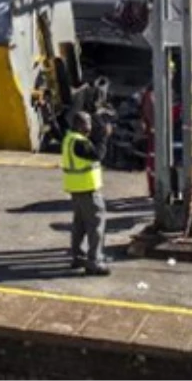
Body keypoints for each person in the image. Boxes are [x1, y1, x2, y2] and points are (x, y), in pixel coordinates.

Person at [61, 111, 110, 276]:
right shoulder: (80, 143)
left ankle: (78, 256)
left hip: (76, 189)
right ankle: (94, 261)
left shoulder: (70, 139)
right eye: (87, 123)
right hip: (88, 190)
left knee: (79, 225)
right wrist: (103, 136)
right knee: (96, 225)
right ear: (80, 125)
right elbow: (98, 155)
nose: (90, 127)